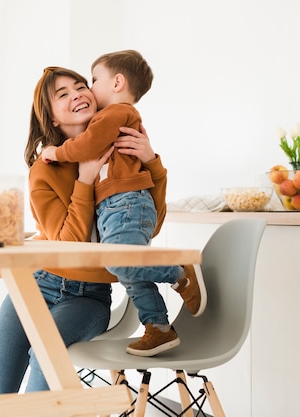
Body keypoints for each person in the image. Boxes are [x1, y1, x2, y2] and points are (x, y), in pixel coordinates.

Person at [0, 66, 168, 396]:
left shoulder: (124, 150)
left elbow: (148, 227)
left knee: (45, 354)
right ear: (51, 118)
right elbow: (65, 245)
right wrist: (84, 180)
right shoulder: (44, 169)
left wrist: (152, 163)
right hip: (37, 283)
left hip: (88, 297)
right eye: (63, 94)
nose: (78, 94)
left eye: (82, 86)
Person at [40, 50, 206, 357]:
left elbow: (89, 145)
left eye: (90, 81)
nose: (86, 91)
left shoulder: (113, 115)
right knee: (130, 272)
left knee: (119, 262)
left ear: (117, 82)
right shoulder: (107, 123)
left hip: (127, 203)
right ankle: (158, 327)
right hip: (114, 209)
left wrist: (58, 153)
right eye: (66, 93)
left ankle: (179, 273)